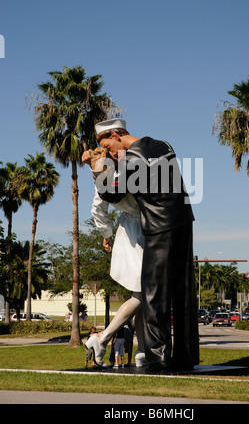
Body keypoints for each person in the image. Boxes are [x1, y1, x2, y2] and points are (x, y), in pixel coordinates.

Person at [94, 118, 199, 372]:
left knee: (153, 295)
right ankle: (185, 356)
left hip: (159, 226)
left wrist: (97, 169)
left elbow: (111, 193)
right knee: (183, 291)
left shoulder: (131, 161)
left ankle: (157, 357)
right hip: (184, 221)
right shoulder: (164, 145)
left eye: (108, 146)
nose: (109, 153)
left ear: (117, 135)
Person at [83, 147, 145, 367]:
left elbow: (97, 210)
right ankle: (104, 337)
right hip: (143, 229)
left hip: (126, 229)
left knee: (140, 297)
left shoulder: (103, 182)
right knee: (143, 293)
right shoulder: (127, 172)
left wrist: (107, 235)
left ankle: (142, 350)